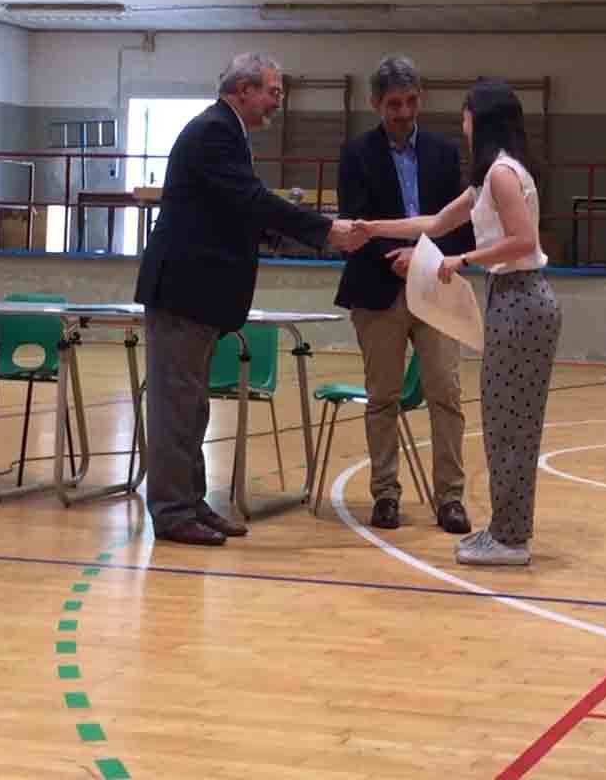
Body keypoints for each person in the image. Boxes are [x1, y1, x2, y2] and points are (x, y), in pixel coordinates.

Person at [133, 53, 363, 546]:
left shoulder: (224, 131)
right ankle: (172, 512)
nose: (277, 103)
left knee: (192, 406)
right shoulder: (215, 132)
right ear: (244, 89)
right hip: (182, 292)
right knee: (177, 406)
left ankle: (191, 502)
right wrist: (324, 231)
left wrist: (294, 235)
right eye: (273, 92)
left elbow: (236, 212)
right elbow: (251, 201)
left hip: (195, 295)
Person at [356, 80, 559, 566]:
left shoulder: (503, 174)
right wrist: (372, 228)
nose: (462, 123)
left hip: (522, 298)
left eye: (466, 115)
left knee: (511, 426)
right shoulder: (488, 178)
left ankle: (511, 538)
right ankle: (506, 529)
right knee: (502, 423)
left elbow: (524, 240)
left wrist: (461, 260)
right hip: (510, 298)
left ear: (480, 119)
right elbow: (433, 223)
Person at [334, 56, 474, 534]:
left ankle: (450, 498)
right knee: (383, 397)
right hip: (377, 291)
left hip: (435, 287)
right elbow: (355, 223)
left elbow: (459, 225)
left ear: (421, 98)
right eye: (394, 104)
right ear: (376, 103)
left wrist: (423, 255)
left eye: (412, 101)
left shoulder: (443, 151)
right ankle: (386, 494)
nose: (404, 112)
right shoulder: (356, 154)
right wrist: (396, 256)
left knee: (445, 392)